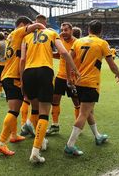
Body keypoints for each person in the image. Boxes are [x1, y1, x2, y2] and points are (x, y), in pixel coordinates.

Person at [20, 15, 79, 163]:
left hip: (28, 73)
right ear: (45, 23)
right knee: (44, 113)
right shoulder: (52, 33)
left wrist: (22, 81)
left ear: (34, 23)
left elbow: (22, 59)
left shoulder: (26, 37)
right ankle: (35, 150)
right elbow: (64, 53)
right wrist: (75, 69)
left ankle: (40, 138)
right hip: (44, 71)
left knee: (34, 109)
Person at [64, 20, 119, 156]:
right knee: (84, 113)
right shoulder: (102, 43)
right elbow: (111, 64)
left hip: (78, 82)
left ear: (88, 29)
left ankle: (97, 136)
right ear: (100, 31)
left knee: (88, 111)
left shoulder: (77, 42)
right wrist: (118, 73)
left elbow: (68, 59)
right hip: (91, 83)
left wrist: (69, 77)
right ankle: (70, 145)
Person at [0, 16, 45, 156]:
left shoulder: (11, 36)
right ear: (22, 25)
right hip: (13, 76)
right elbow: (36, 26)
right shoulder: (18, 32)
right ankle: (1, 143)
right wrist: (45, 30)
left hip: (8, 75)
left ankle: (14, 135)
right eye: (27, 26)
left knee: (15, 108)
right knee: (13, 111)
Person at [46, 22, 80, 135]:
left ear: (71, 30)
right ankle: (55, 125)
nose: (63, 32)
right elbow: (60, 55)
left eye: (66, 30)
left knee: (76, 102)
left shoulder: (77, 43)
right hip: (60, 76)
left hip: (73, 78)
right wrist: (49, 53)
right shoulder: (59, 39)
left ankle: (78, 126)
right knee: (54, 101)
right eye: (62, 30)